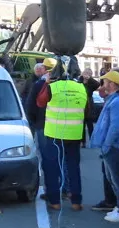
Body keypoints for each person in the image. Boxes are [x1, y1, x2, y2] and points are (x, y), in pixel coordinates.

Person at [36, 60, 87, 210]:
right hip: (74, 135)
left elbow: (40, 102)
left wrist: (46, 83)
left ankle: (55, 202)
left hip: (54, 134)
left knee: (53, 167)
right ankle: (76, 201)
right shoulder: (81, 87)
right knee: (73, 167)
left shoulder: (52, 87)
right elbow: (87, 109)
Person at [90, 70, 119, 222]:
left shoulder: (117, 103)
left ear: (112, 84)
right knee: (112, 177)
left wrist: (107, 146)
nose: (103, 84)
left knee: (117, 178)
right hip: (114, 146)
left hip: (115, 146)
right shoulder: (115, 100)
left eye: (106, 82)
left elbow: (115, 127)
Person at [23, 61, 50, 134]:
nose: (38, 71)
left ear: (44, 70)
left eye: (40, 69)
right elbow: (24, 94)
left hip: (40, 114)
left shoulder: (43, 82)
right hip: (33, 112)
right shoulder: (30, 81)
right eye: (36, 70)